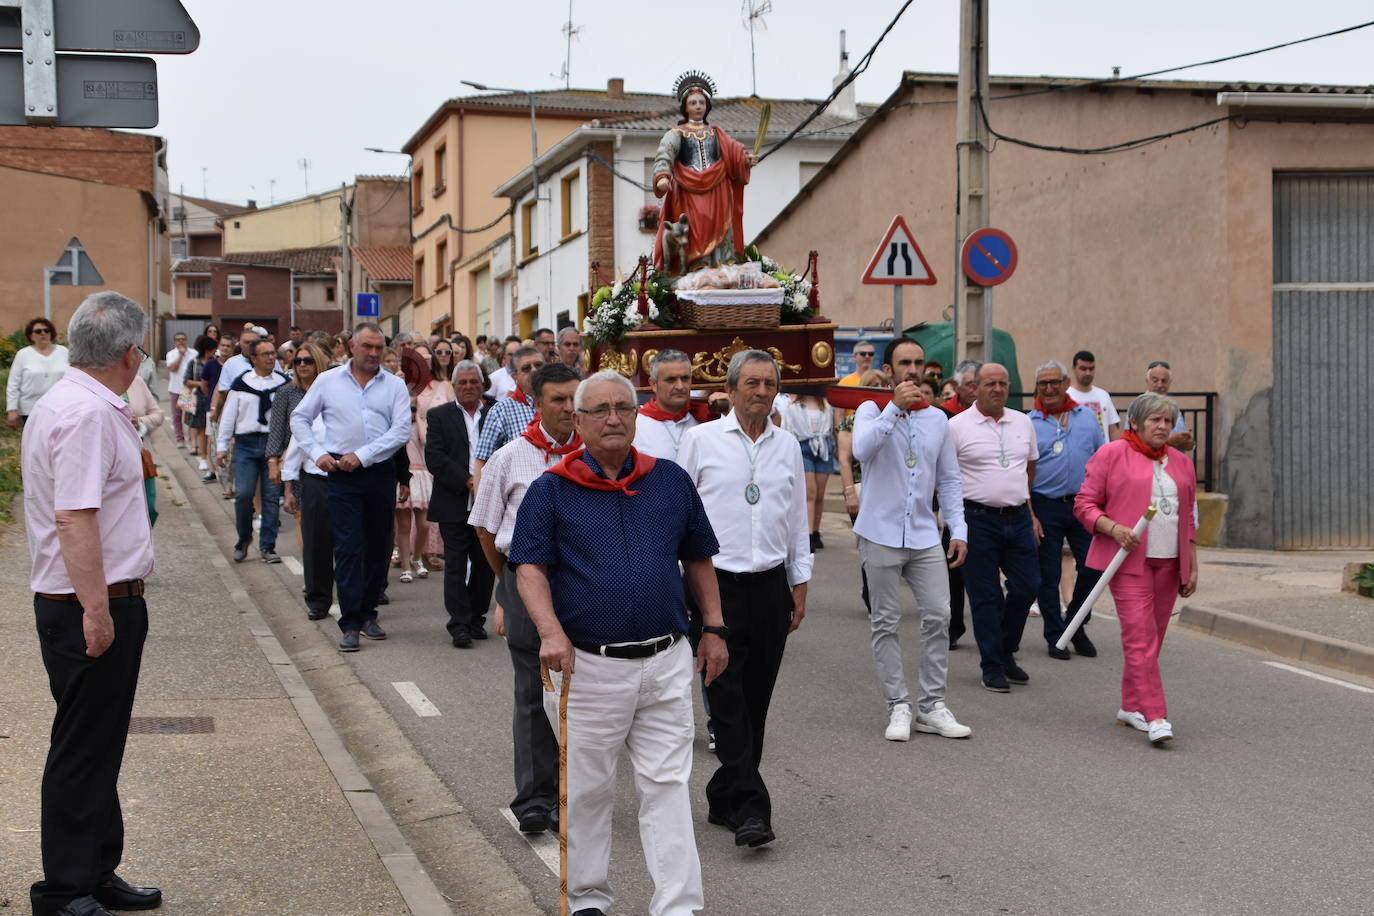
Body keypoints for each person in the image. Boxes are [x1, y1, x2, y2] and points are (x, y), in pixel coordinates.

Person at [511, 370, 728, 915]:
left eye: (623, 407)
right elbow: (529, 567)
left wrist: (715, 627)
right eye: (600, 409)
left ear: (638, 415)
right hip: (588, 667)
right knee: (586, 791)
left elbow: (698, 556)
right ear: (578, 421)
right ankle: (587, 901)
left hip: (666, 660)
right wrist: (550, 632)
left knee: (668, 787)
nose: (613, 418)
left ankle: (678, 906)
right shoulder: (551, 489)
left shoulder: (670, 480)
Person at [22, 291, 162, 916]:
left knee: (99, 744)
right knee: (82, 750)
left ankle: (97, 870)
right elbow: (76, 517)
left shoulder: (78, 401)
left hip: (90, 598)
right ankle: (65, 890)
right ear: (132, 354)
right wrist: (98, 612)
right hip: (90, 601)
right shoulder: (88, 414)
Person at [678, 350, 810, 849]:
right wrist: (680, 586)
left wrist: (800, 583)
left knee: (756, 700)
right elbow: (679, 513)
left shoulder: (788, 446)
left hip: (770, 585)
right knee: (727, 699)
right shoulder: (700, 441)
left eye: (769, 384)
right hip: (717, 587)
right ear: (730, 391)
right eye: (751, 383)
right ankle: (753, 809)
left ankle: (722, 792)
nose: (761, 392)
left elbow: (796, 519)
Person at [469, 363, 583, 836]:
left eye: (574, 399)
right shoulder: (511, 457)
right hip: (523, 582)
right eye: (558, 399)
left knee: (581, 698)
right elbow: (485, 525)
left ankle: (572, 795)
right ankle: (534, 798)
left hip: (581, 586)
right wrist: (511, 584)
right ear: (536, 404)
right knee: (532, 696)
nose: (568, 409)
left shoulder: (595, 459)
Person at [851, 338, 971, 741]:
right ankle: (897, 705)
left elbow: (950, 479)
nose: (913, 370)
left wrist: (959, 529)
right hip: (880, 531)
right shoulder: (871, 409)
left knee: (939, 615)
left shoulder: (938, 419)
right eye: (905, 363)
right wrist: (894, 409)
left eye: (918, 363)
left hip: (923, 533)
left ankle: (932, 705)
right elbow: (862, 451)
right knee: (885, 622)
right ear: (889, 370)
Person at [1075, 392, 1198, 745]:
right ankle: (1156, 715)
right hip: (1128, 562)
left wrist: (1193, 564)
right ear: (1136, 422)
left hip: (1170, 562)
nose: (1162, 426)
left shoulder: (1180, 461)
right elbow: (1084, 504)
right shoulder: (1111, 454)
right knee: (1139, 638)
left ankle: (1131, 706)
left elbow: (1188, 518)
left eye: (1167, 420)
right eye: (1155, 420)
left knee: (1153, 640)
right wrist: (1113, 528)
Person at [291, 322, 410, 652]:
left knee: (377, 545)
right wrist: (317, 454)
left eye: (378, 347)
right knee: (347, 546)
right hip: (341, 472)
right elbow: (299, 419)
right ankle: (351, 623)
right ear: (352, 347)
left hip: (378, 471)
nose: (373, 353)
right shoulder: (328, 381)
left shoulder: (394, 386)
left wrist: (364, 455)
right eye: (367, 346)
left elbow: (401, 431)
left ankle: (370, 613)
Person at [947, 363, 1042, 693]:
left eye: (1003, 383)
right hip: (977, 519)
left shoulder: (1023, 422)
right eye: (990, 383)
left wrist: (1028, 510)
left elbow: (1029, 468)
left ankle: (1005, 650)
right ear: (975, 387)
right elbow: (947, 477)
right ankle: (992, 665)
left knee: (1029, 586)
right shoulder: (957, 427)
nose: (997, 389)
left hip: (1017, 518)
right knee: (985, 595)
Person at [1028, 360, 1106, 660]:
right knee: (1048, 574)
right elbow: (1023, 472)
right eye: (1042, 384)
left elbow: (1101, 460)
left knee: (1094, 568)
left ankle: (1074, 624)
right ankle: (1054, 633)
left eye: (1054, 382)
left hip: (1084, 504)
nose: (1049, 389)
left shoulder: (1086, 417)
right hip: (1045, 505)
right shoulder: (1030, 422)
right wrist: (1031, 514)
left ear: (1065, 383)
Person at [652, 70, 758, 273]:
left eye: (701, 102)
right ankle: (694, 269)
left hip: (718, 191)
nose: (698, 106)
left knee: (720, 229)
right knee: (690, 230)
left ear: (707, 106)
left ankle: (721, 266)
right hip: (687, 193)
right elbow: (664, 154)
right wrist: (662, 177)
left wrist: (745, 160)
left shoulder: (716, 133)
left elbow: (733, 152)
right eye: (693, 103)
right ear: (685, 107)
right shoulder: (676, 134)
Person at [425, 359, 496, 646]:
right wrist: (468, 480)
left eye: (473, 382)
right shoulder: (439, 416)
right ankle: (459, 625)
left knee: (485, 564)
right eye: (462, 383)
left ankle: (476, 618)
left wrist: (485, 483)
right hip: (454, 500)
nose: (468, 387)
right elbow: (435, 458)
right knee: (455, 564)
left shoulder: (494, 412)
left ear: (482, 385)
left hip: (488, 502)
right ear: (454, 387)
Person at [217, 338, 290, 564]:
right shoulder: (241, 384)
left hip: (273, 445)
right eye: (265, 354)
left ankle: (268, 546)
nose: (271, 358)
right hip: (246, 444)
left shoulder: (284, 384)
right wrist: (222, 447)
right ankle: (244, 538)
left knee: (270, 497)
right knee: (244, 494)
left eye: (273, 354)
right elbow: (229, 417)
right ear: (253, 358)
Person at [279, 342, 334, 620]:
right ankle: (318, 600)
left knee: (349, 544)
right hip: (315, 481)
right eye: (298, 361)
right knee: (315, 543)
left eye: (309, 361)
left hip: (347, 479)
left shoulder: (338, 400)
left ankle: (358, 603)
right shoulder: (303, 403)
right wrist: (288, 486)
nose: (302, 366)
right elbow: (297, 443)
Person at [473, 345, 545, 480]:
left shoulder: (559, 403)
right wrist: (480, 499)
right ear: (515, 376)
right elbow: (482, 460)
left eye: (538, 365)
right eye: (526, 368)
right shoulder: (502, 410)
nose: (534, 370)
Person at [634, 349, 710, 463]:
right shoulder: (636, 426)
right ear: (654, 384)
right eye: (671, 380)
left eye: (685, 378)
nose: (680, 386)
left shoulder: (706, 417)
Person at [781, 391, 835, 551]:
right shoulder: (792, 407)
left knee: (819, 495)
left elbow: (831, 429)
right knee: (809, 493)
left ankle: (816, 532)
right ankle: (808, 534)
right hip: (803, 447)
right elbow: (787, 431)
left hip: (823, 447)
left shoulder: (826, 405)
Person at [8, 317, 70, 429]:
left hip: (60, 408)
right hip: (30, 409)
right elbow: (13, 384)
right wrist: (12, 410)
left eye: (46, 330)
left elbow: (73, 378)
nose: (43, 333)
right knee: (34, 443)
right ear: (31, 335)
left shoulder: (64, 352)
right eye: (38, 331)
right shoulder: (23, 354)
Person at [123, 373, 163, 527]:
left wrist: (139, 421)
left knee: (149, 507)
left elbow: (158, 415)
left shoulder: (136, 381)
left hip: (141, 456)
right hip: (114, 461)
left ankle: (143, 544)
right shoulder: (98, 384)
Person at [1132, 361, 1194, 451]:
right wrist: (1170, 440)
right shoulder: (1138, 406)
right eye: (1155, 380)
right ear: (1147, 381)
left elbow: (1187, 445)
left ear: (1169, 382)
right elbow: (1133, 439)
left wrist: (1187, 442)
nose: (1160, 385)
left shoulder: (1173, 406)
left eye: (1164, 381)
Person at [210, 326, 260, 422]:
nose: (250, 345)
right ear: (240, 343)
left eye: (253, 342)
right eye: (246, 342)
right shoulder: (231, 364)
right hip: (238, 415)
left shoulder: (271, 362)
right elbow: (223, 391)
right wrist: (215, 409)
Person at [1069, 349, 1121, 441]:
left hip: (1103, 453)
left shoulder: (1103, 395)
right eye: (1083, 369)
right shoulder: (1067, 396)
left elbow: (1112, 430)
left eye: (1091, 369)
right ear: (1074, 368)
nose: (1088, 373)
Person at [184, 335, 217, 472]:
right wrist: (202, 383)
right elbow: (186, 381)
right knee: (202, 430)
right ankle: (204, 458)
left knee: (212, 433)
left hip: (214, 400)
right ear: (207, 350)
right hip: (199, 400)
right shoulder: (194, 362)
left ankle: (212, 461)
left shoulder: (216, 362)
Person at [163, 331, 193, 447]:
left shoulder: (193, 353)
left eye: (183, 339)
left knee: (190, 415)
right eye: (178, 339)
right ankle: (180, 438)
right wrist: (181, 355)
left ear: (186, 340)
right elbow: (172, 368)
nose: (181, 341)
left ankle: (191, 438)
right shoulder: (171, 354)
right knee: (176, 416)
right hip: (175, 389)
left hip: (188, 389)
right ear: (174, 342)